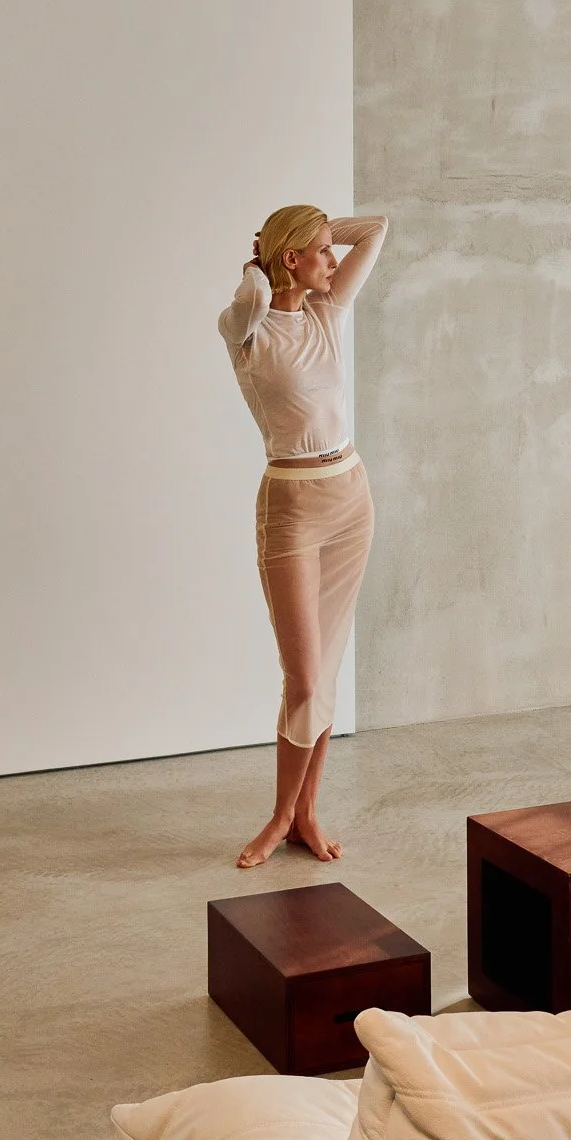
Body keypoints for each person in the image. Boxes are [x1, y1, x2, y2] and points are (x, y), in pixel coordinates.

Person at [218, 205, 388, 868]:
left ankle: (306, 816)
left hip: (351, 498)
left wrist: (313, 231)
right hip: (291, 508)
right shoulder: (245, 328)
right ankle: (280, 816)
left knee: (328, 670)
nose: (334, 260)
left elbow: (375, 230)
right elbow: (252, 296)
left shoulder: (328, 310)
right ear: (290, 260)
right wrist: (265, 257)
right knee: (305, 679)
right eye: (320, 250)